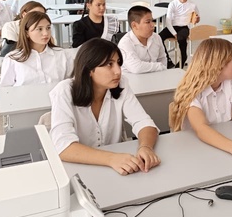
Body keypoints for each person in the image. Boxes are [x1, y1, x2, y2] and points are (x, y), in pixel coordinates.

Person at [49, 39, 160, 175]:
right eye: (109, 64)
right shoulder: (64, 91)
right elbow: (64, 147)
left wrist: (145, 147)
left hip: (117, 168)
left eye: (118, 63)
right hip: (80, 170)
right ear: (89, 69)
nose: (118, 71)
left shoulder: (121, 84)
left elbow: (143, 122)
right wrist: (111, 159)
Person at [169, 38, 232, 164]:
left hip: (221, 145)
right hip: (194, 151)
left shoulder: (230, 82)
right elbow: (202, 129)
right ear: (218, 64)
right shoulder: (191, 90)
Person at [0, 11, 77, 87]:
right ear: (27, 33)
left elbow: (71, 84)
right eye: (39, 29)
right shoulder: (13, 59)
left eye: (48, 28)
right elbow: (5, 90)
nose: (46, 33)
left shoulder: (62, 54)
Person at [158, 0, 200, 68]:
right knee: (158, 37)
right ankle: (168, 60)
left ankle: (183, 58)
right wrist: (174, 33)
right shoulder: (172, 4)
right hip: (172, 26)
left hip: (183, 27)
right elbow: (168, 21)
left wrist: (197, 19)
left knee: (181, 39)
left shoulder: (193, 5)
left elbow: (197, 17)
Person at [117, 5, 167, 73]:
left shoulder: (156, 37)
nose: (153, 25)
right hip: (132, 78)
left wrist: (160, 67)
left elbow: (162, 59)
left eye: (152, 21)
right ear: (134, 25)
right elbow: (136, 68)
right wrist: (159, 66)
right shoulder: (125, 43)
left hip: (155, 76)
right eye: (148, 22)